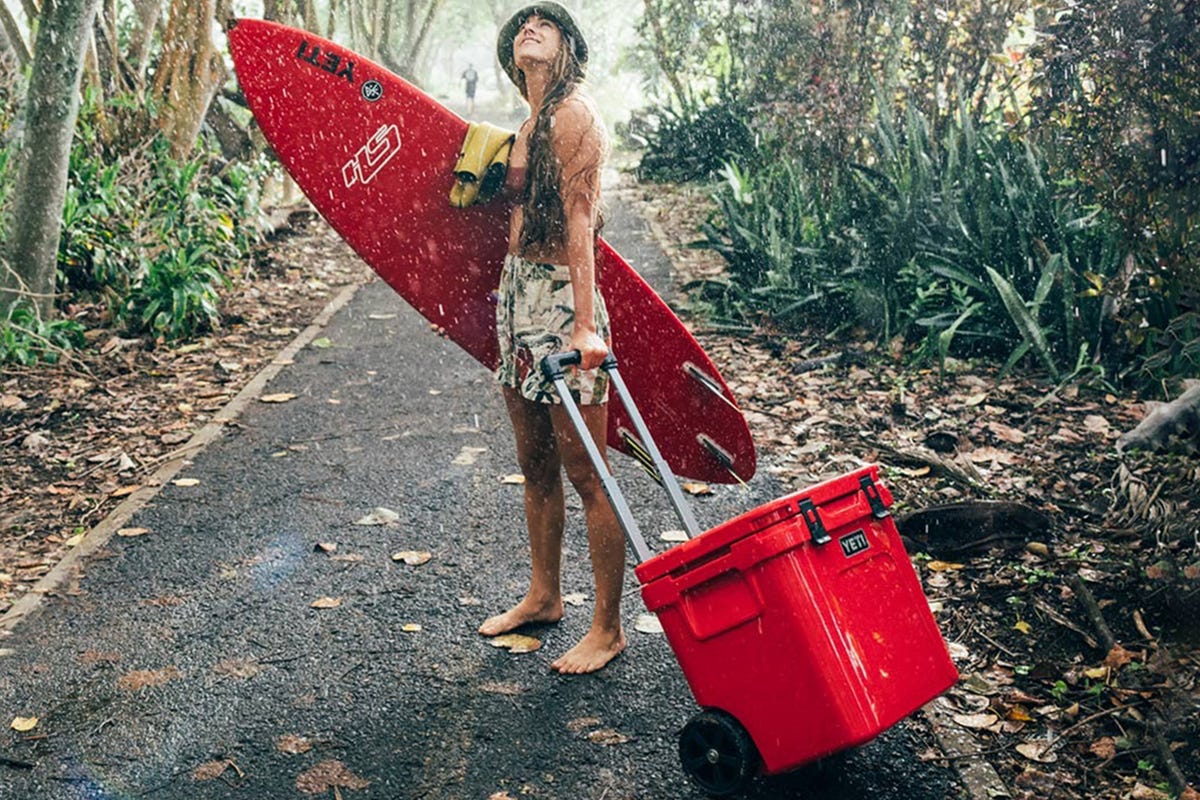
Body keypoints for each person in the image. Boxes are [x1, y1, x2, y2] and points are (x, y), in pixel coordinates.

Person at [478, 3, 624, 675]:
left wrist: (587, 325)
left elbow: (582, 222)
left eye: (547, 22)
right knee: (534, 462)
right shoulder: (528, 123)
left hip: (563, 300)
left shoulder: (574, 118)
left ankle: (607, 627)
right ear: (514, 56)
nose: (531, 25)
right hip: (518, 294)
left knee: (586, 470)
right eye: (523, 24)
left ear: (569, 46)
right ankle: (544, 595)